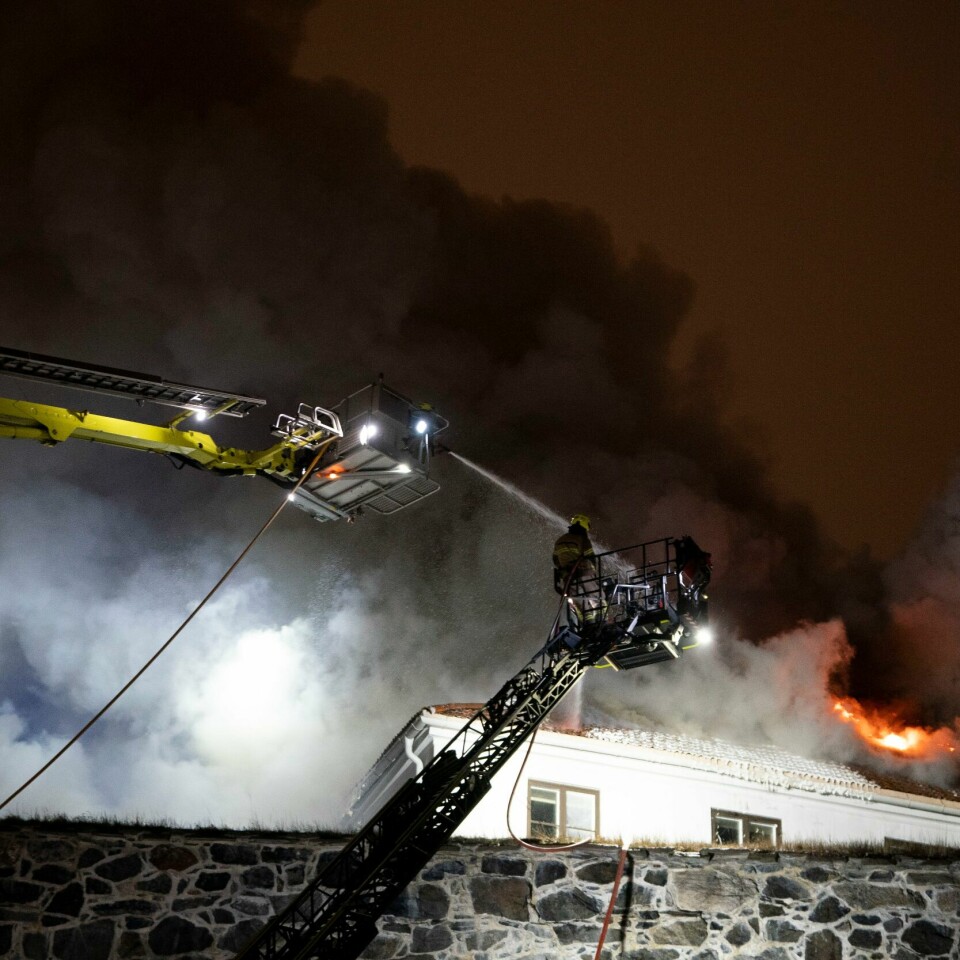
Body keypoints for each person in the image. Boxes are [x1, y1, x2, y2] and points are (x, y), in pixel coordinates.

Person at [552, 514, 602, 631]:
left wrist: (564, 570)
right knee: (597, 596)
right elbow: (590, 557)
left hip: (568, 577)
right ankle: (601, 618)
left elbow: (555, 560)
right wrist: (593, 571)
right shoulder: (583, 539)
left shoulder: (560, 540)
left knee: (578, 600)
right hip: (585, 572)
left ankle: (588, 623)